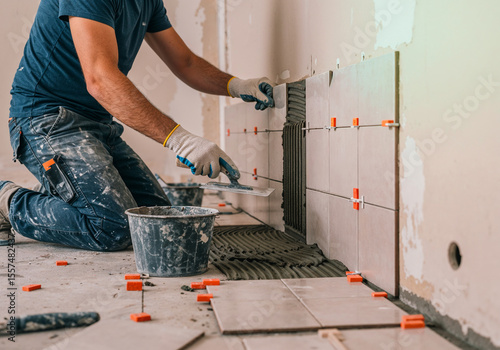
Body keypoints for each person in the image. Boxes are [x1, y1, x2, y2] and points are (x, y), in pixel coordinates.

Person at [0, 0, 274, 250]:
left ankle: (65, 190)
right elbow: (100, 79)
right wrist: (183, 141)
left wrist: (236, 85)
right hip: (47, 120)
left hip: (96, 124)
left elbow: (186, 62)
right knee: (113, 227)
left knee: (152, 215)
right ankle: (6, 199)